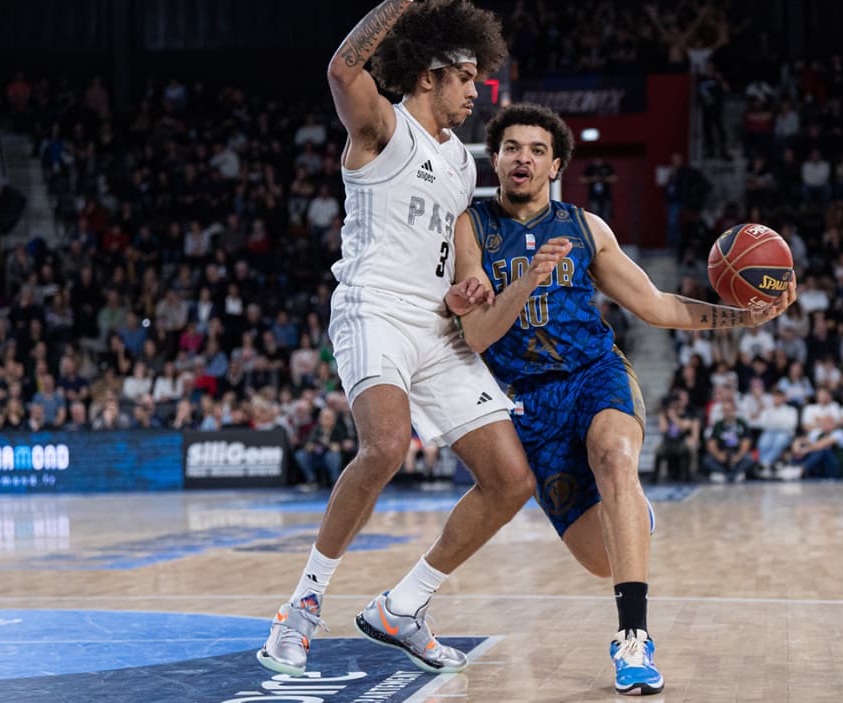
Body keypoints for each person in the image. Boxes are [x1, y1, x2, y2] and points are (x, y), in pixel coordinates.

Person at [451, 103, 795, 695]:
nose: (523, 158)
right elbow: (477, 335)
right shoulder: (472, 227)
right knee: (602, 559)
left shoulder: (586, 228)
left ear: (555, 166)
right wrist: (528, 277)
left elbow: (656, 305)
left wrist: (742, 317)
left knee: (614, 455)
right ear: (497, 160)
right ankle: (630, 509)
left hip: (595, 371)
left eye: (537, 150)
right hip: (529, 400)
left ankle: (633, 639)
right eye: (511, 148)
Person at [257, 0, 527, 680]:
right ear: (429, 75)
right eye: (465, 77)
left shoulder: (461, 163)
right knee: (384, 445)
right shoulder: (382, 127)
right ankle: (302, 606)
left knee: (510, 480)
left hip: (435, 326)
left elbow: (462, 252)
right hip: (373, 308)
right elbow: (342, 70)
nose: (476, 91)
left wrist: (472, 284)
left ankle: (402, 607)